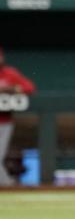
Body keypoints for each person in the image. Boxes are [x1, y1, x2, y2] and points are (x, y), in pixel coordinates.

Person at [0, 46, 35, 186]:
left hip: (4, 122)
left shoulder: (10, 73)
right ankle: (7, 184)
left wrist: (12, 88)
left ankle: (6, 185)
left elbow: (30, 87)